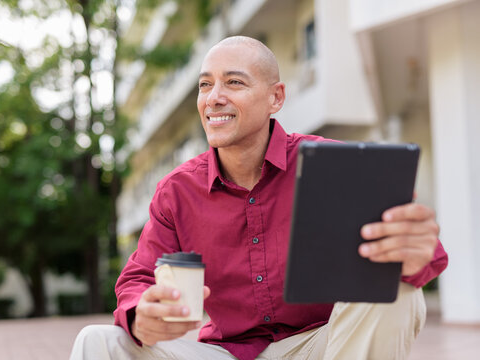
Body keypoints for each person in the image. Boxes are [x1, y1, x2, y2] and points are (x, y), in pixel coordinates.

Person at [70, 36, 448, 360]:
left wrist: (414, 253)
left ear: (275, 97)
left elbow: (422, 257)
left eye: (234, 82)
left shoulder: (336, 165)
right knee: (98, 342)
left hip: (325, 347)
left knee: (396, 292)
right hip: (226, 352)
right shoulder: (177, 191)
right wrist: (140, 313)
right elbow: (137, 277)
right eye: (205, 85)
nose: (214, 98)